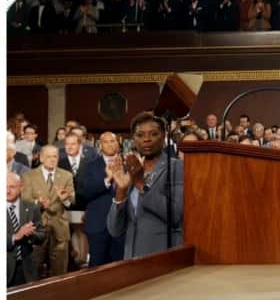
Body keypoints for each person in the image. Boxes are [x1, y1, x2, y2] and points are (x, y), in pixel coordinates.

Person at [106, 112, 184, 259]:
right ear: (134, 139)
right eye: (140, 135)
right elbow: (114, 229)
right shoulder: (130, 170)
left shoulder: (177, 168)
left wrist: (141, 184)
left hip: (163, 256)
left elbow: (175, 215)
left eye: (153, 134)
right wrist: (121, 191)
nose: (146, 139)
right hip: (132, 258)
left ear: (163, 136)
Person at [21, 145, 75, 277]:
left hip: (60, 230)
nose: (52, 159)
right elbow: (25, 201)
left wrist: (65, 199)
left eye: (55, 156)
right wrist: (37, 204)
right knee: (34, 269)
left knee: (60, 271)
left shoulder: (66, 175)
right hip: (37, 229)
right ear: (41, 158)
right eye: (48, 156)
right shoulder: (29, 176)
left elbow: (71, 201)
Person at [79, 131, 125, 267]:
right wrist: (107, 180)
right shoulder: (90, 165)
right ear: (100, 145)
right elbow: (85, 192)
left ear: (118, 143)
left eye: (113, 141)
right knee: (97, 266)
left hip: (123, 224)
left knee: (121, 267)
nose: (110, 145)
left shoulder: (128, 163)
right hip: (98, 224)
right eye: (106, 142)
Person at [7, 171, 47, 287]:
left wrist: (31, 234)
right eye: (4, 187)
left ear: (21, 187)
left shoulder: (32, 208)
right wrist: (16, 237)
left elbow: (42, 235)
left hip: (27, 268)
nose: (7, 191)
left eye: (12, 187)